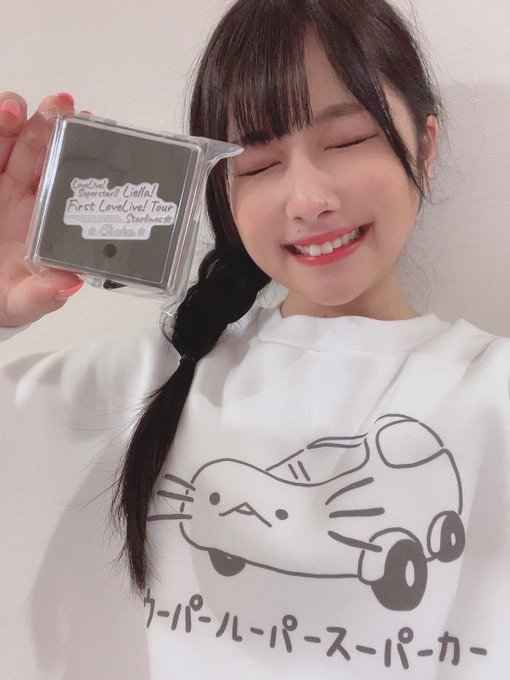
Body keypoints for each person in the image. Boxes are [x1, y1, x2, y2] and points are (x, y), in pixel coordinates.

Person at [1, 1, 509, 678]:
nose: (307, 199)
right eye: (261, 162)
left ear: (425, 143)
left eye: (347, 139)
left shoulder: (491, 390)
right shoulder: (145, 381)